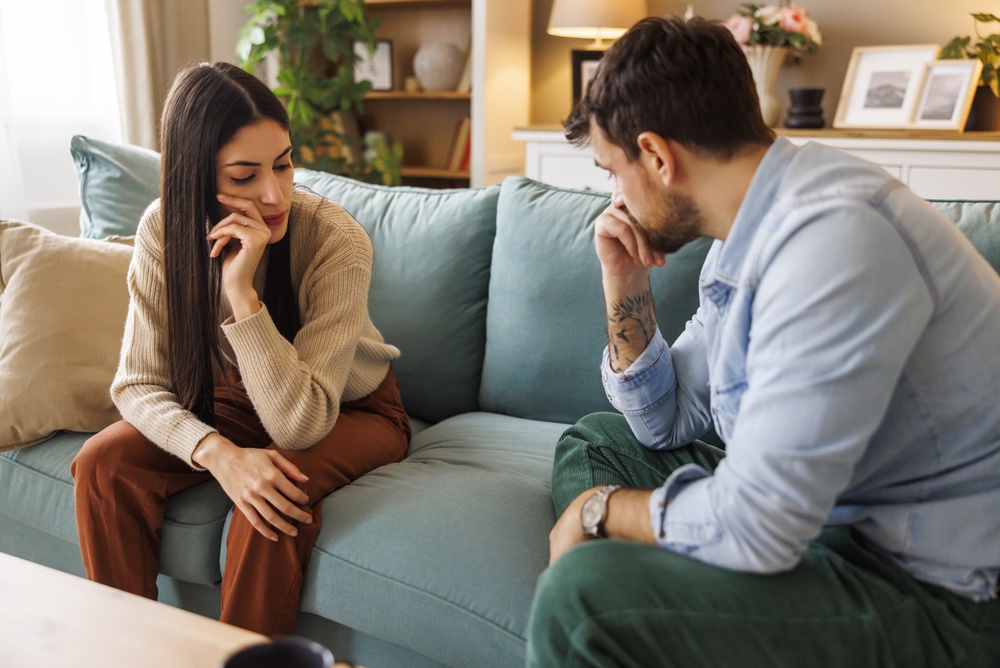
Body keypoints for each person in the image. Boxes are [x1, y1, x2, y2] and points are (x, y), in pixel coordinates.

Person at [527, 16, 1000, 668]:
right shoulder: (757, 226)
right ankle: (666, 607)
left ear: (659, 157)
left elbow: (759, 524)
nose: (615, 198)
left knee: (582, 600)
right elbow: (662, 424)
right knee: (596, 439)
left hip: (939, 591)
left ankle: (633, 611)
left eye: (614, 171)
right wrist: (623, 280)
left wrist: (598, 511)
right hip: (824, 526)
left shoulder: (834, 242)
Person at [71, 61, 410, 636]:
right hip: (243, 399)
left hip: (349, 407)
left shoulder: (336, 240)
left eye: (283, 163)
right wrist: (219, 454)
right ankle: (125, 648)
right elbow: (136, 384)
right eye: (244, 175)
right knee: (104, 465)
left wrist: (241, 293)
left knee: (270, 501)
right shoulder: (163, 230)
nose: (275, 194)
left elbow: (299, 425)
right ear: (195, 178)